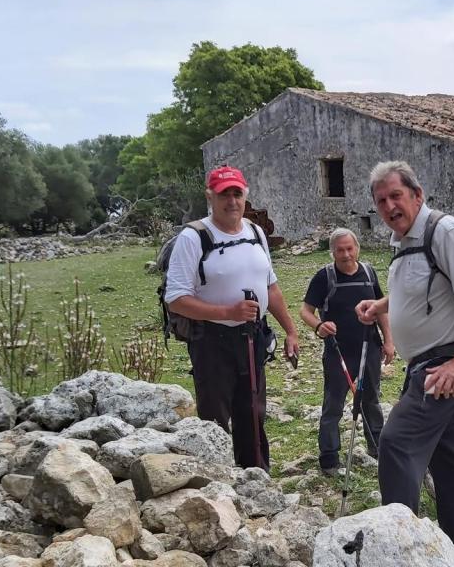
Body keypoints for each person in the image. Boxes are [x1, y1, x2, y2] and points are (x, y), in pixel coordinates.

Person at [355, 161, 454, 567]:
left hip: (445, 361)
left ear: (417, 195)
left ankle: (399, 553)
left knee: (396, 443)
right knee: (447, 455)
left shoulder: (446, 231)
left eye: (396, 196)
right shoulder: (403, 242)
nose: (388, 206)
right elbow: (423, 290)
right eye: (381, 200)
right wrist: (382, 305)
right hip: (427, 362)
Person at [164, 165, 300, 471]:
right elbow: (175, 300)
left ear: (245, 196)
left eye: (237, 193)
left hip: (252, 338)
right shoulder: (193, 237)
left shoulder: (255, 232)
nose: (232, 201)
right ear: (210, 196)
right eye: (224, 194)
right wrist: (228, 312)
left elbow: (271, 286)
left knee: (253, 413)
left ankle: (256, 480)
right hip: (211, 342)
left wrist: (290, 330)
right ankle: (217, 483)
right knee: (214, 418)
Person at [300, 227, 395, 476]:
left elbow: (380, 309)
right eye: (340, 250)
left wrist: (389, 341)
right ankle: (329, 459)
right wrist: (319, 326)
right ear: (332, 252)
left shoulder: (368, 273)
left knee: (371, 400)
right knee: (333, 405)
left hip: (369, 348)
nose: (345, 254)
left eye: (349, 248)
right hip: (337, 351)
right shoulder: (324, 277)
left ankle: (378, 450)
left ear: (357, 248)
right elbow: (305, 311)